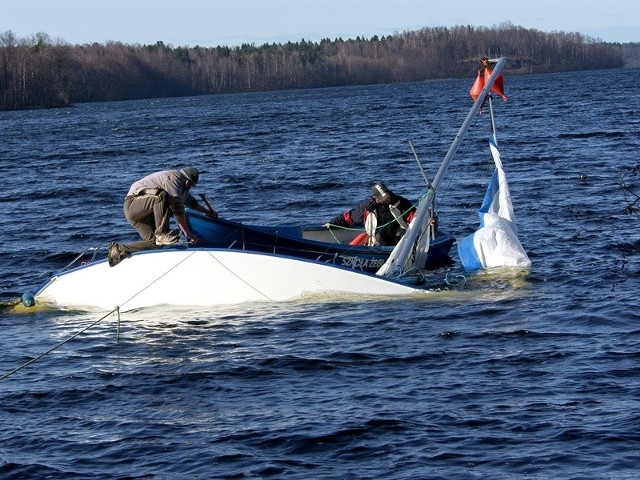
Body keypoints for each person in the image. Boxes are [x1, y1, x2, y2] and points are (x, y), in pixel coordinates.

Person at [107, 167, 217, 267]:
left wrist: (206, 211)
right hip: (133, 205)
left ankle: (119, 249)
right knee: (161, 196)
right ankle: (161, 233)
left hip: (143, 214)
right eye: (191, 185)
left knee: (155, 244)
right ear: (188, 181)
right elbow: (178, 210)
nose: (190, 187)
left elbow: (191, 202)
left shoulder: (181, 189)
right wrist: (187, 233)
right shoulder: (174, 181)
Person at [324, 182, 416, 246]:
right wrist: (332, 223)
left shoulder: (400, 202)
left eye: (388, 196)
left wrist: (428, 220)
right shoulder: (367, 207)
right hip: (379, 240)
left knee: (401, 232)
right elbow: (348, 218)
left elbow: (414, 215)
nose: (387, 200)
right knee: (379, 237)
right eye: (384, 199)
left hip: (399, 239)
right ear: (376, 198)